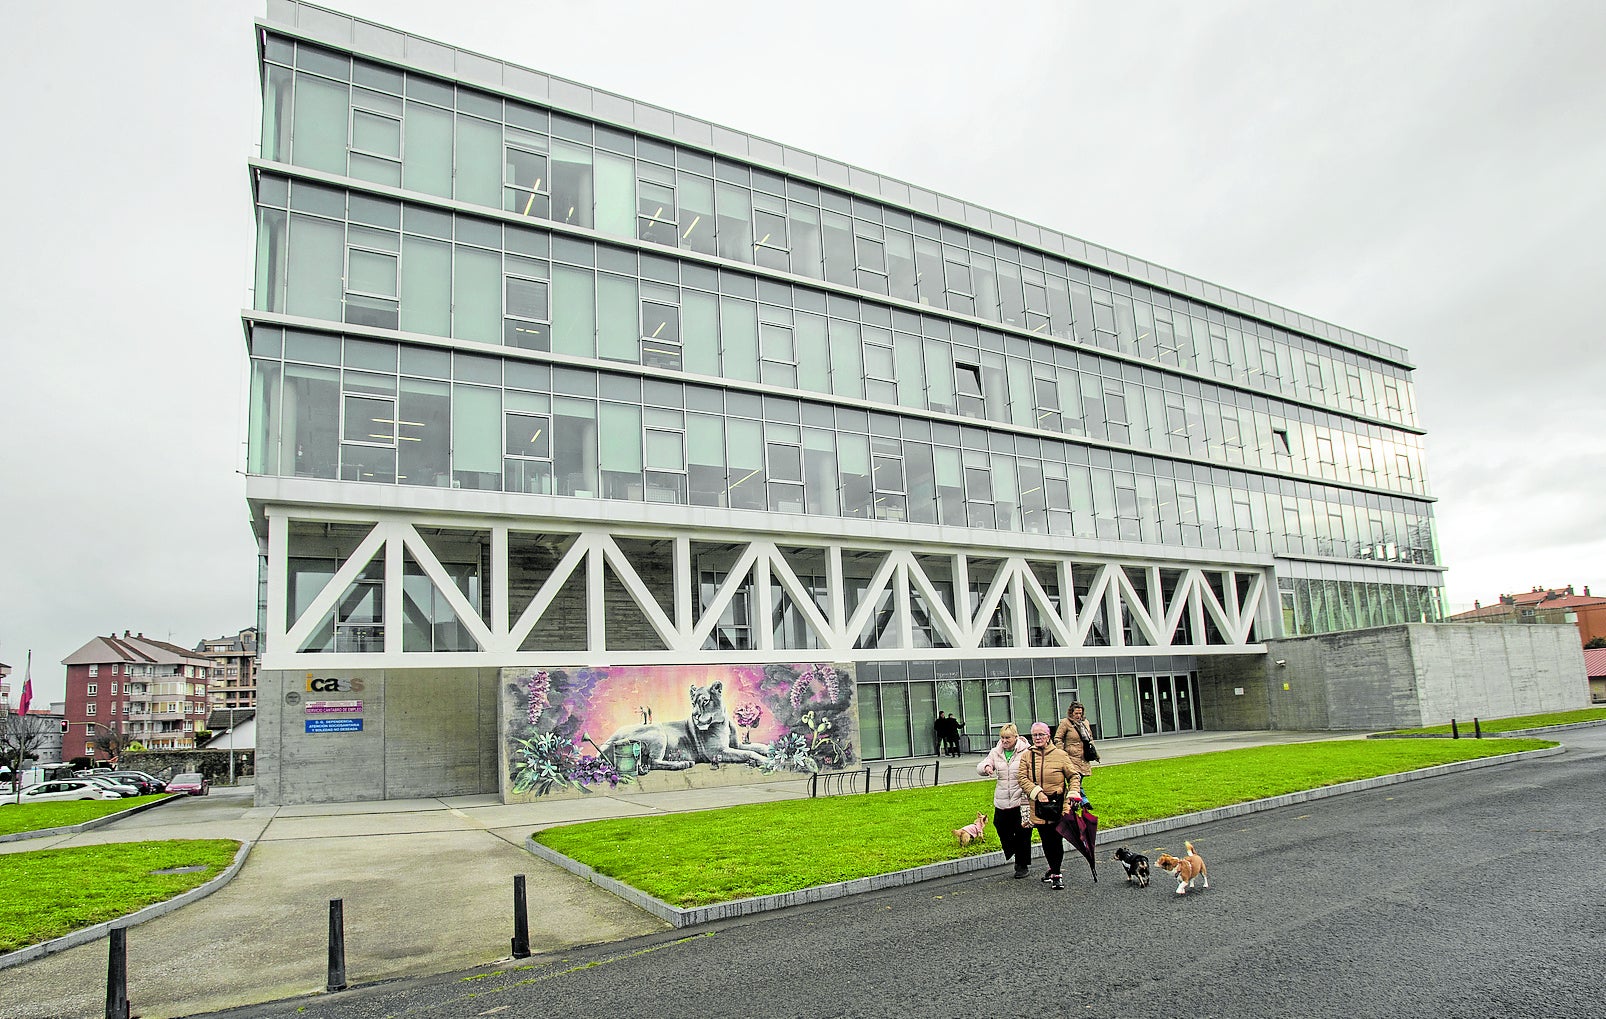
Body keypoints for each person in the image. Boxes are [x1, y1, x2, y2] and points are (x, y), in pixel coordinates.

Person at [1016, 720, 1079, 890]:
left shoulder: (1060, 755)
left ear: (1048, 736)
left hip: (1057, 805)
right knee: (1046, 840)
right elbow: (1022, 778)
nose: (1037, 738)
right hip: (1038, 806)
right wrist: (1037, 792)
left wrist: (1073, 793)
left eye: (1041, 734)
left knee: (1055, 840)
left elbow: (1073, 776)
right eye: (1035, 735)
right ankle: (1053, 867)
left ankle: (1056, 873)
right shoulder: (1027, 756)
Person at [976, 724, 1032, 877]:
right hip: (1001, 799)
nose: (1005, 741)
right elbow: (981, 765)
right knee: (1000, 825)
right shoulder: (996, 752)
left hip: (1021, 799)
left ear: (1016, 737)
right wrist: (987, 767)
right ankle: (1013, 850)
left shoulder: (1026, 751)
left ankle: (1021, 866)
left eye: (1008, 738)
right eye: (1002, 737)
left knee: (1022, 833)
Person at [1053, 702, 1096, 798]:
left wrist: (1092, 748)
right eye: (1076, 713)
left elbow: (1090, 737)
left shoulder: (1085, 723)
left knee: (1079, 780)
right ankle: (1083, 801)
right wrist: (1061, 752)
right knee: (1075, 779)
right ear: (1071, 713)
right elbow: (1058, 738)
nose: (1078, 716)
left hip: (1083, 756)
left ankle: (1074, 799)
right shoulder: (1065, 723)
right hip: (1071, 756)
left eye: (1080, 713)